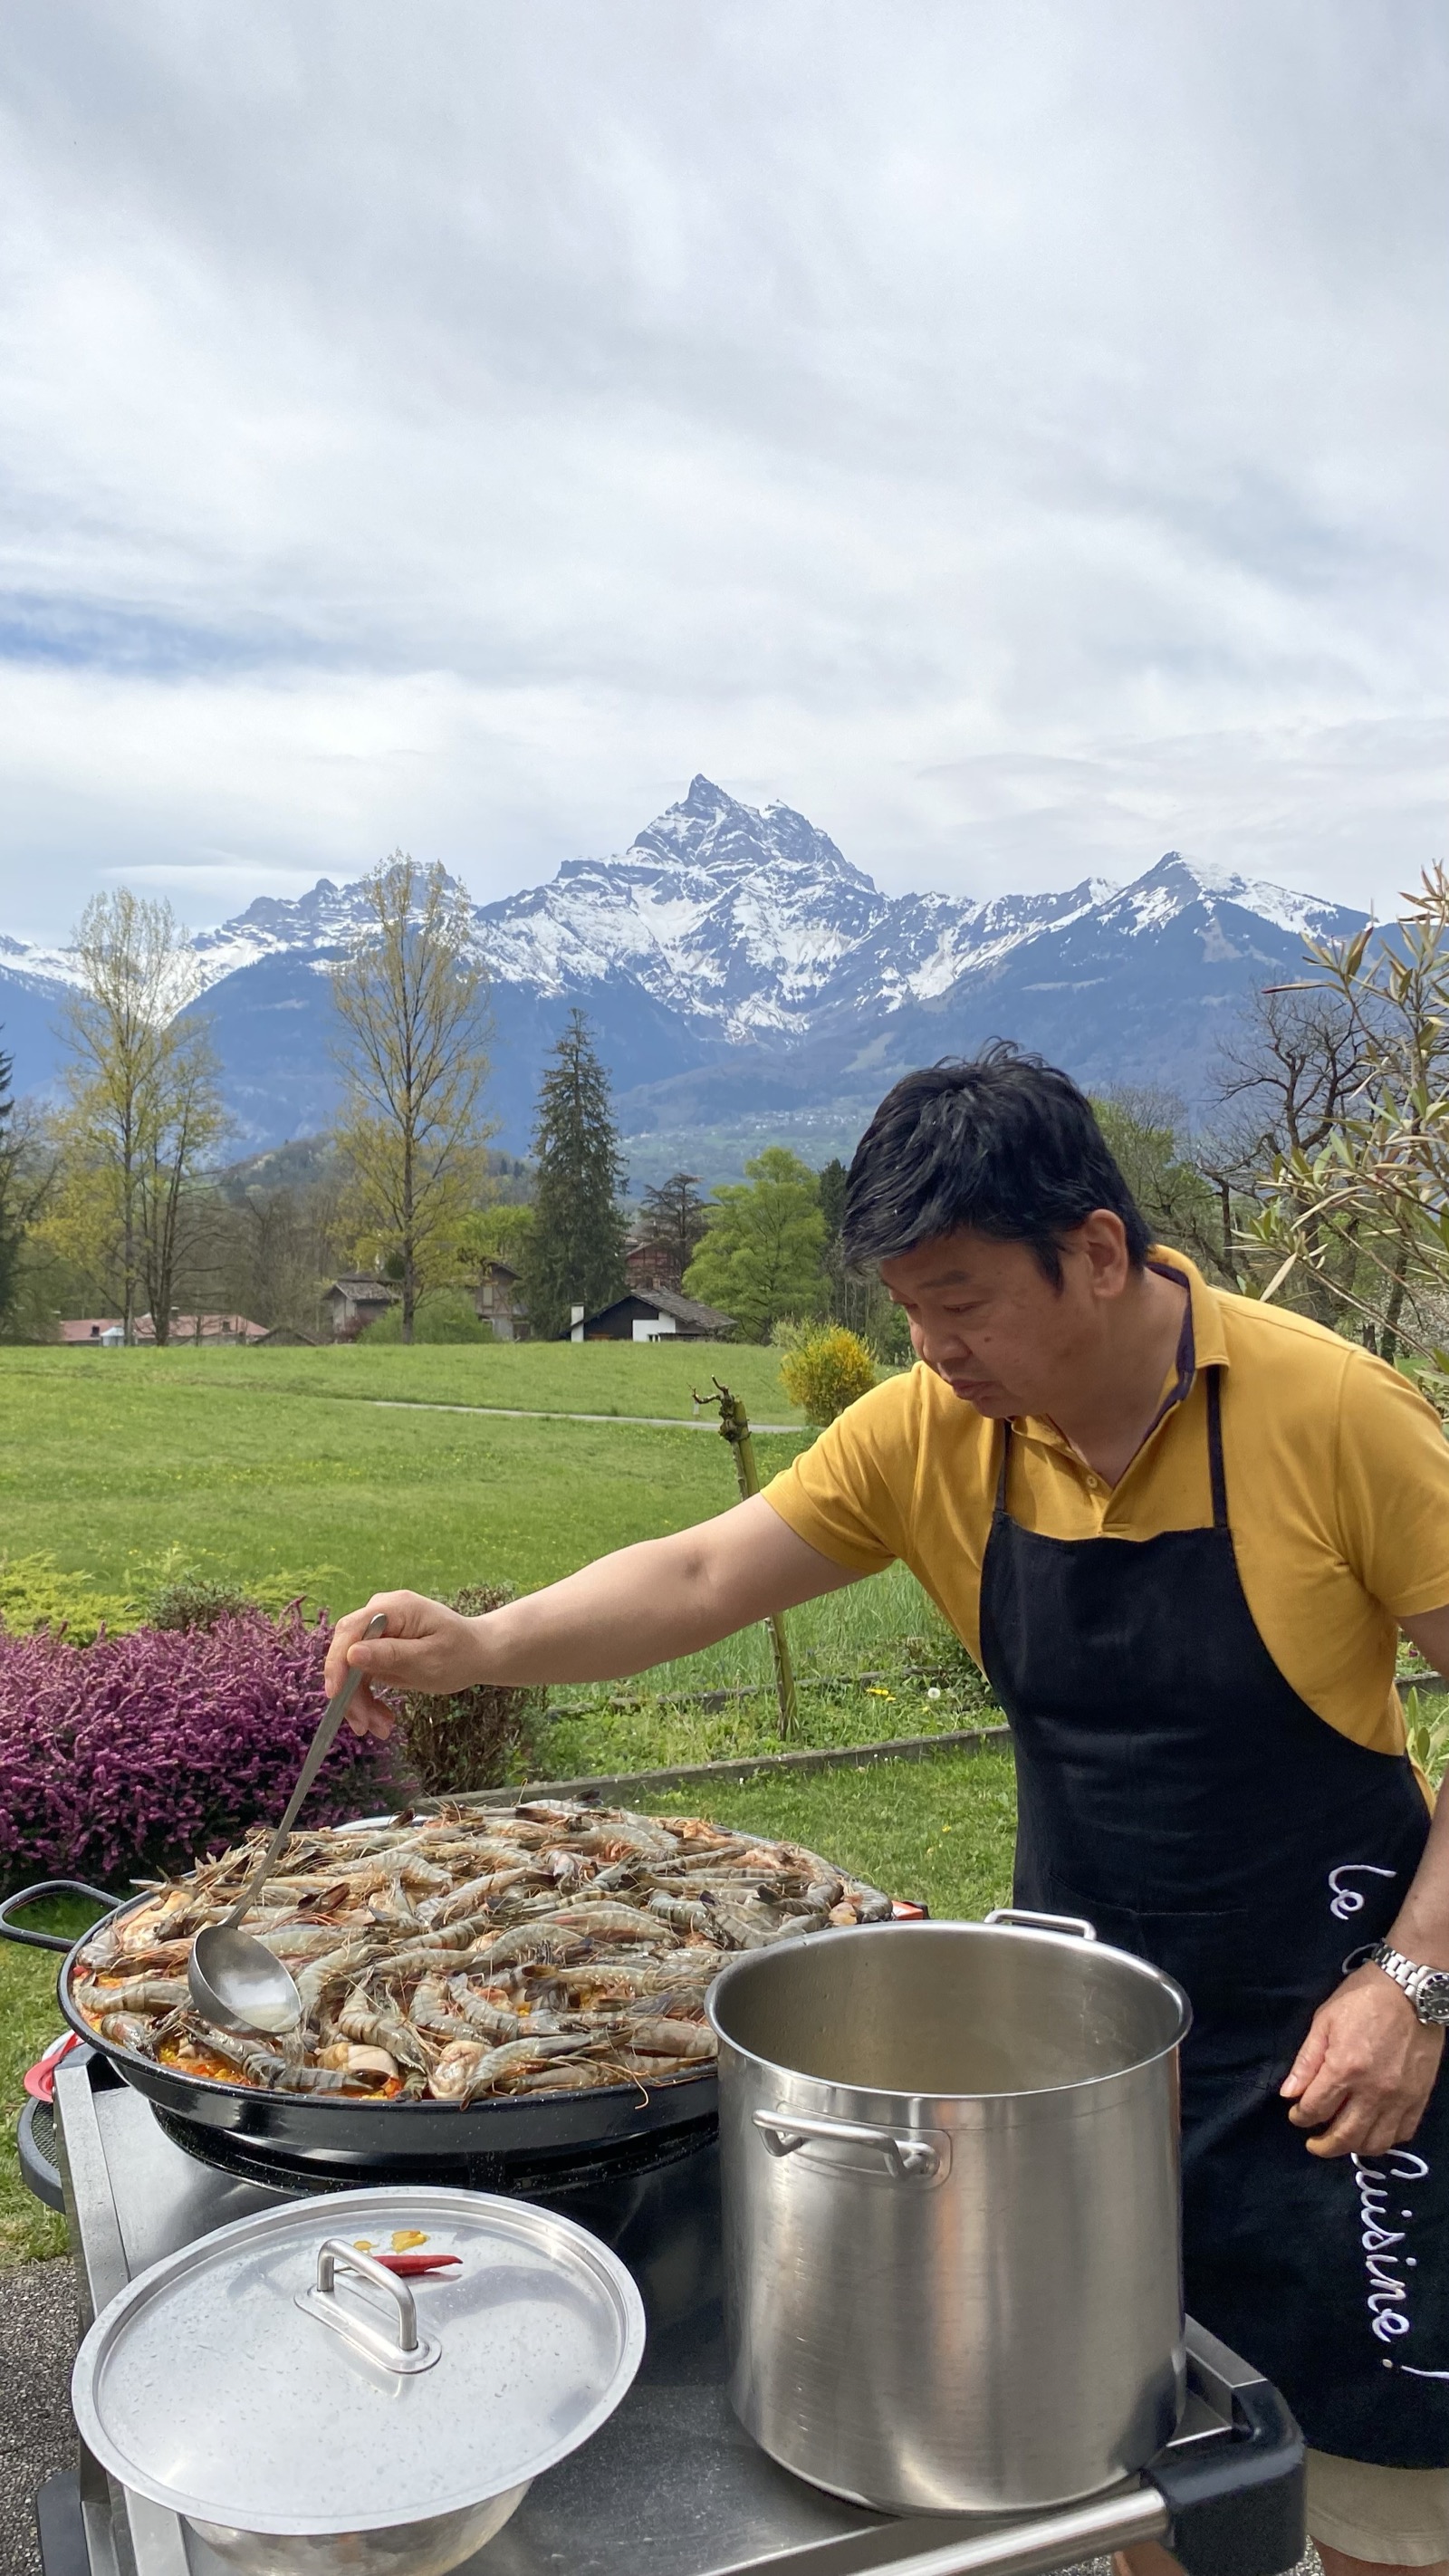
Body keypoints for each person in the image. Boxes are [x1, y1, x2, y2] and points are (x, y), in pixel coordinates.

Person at [327, 1043, 1449, 2576]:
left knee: (1379, 2486)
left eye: (962, 1301)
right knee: (1139, 2465)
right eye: (907, 1310)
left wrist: (1416, 1984)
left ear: (1101, 1255)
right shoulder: (934, 1434)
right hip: (1080, 2051)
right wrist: (483, 1643)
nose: (930, 1348)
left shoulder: (1336, 1414)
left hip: (1344, 2032)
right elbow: (709, 1572)